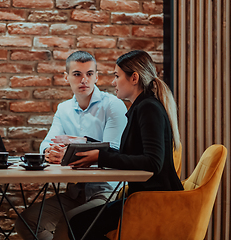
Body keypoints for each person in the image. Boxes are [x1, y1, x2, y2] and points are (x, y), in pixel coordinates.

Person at [67, 50, 184, 240]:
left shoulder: (148, 108)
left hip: (154, 201)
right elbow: (126, 154)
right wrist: (86, 143)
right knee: (78, 223)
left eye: (117, 76)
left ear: (134, 78)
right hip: (143, 198)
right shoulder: (142, 107)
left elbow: (153, 162)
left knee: (79, 224)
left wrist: (99, 156)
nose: (113, 82)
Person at [15, 51, 128, 240]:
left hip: (108, 193)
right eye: (77, 74)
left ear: (97, 77)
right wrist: (49, 153)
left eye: (89, 74)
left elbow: (112, 150)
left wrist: (69, 154)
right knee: (26, 222)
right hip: (75, 194)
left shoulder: (113, 105)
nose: (84, 79)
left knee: (67, 224)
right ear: (66, 77)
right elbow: (46, 144)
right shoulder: (64, 108)